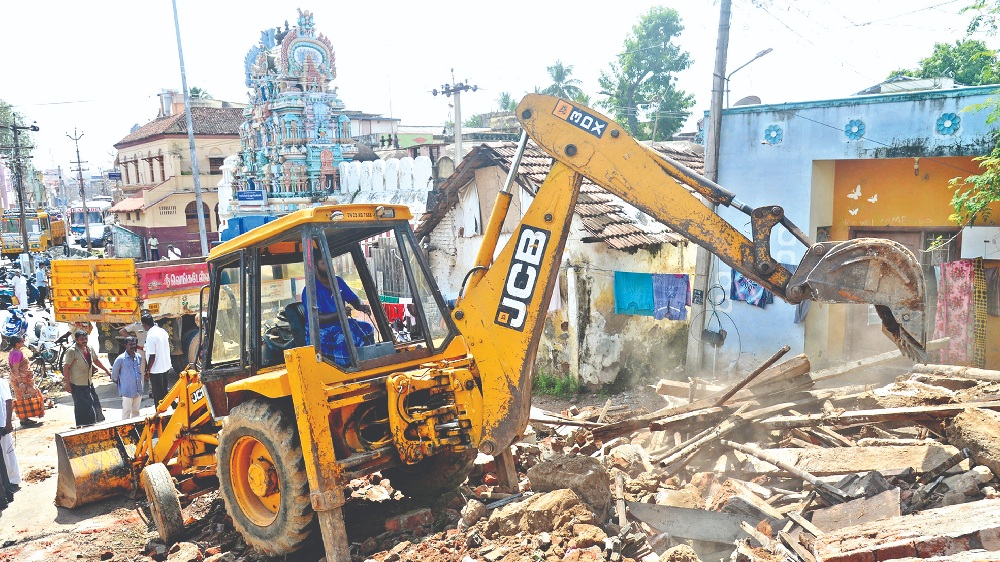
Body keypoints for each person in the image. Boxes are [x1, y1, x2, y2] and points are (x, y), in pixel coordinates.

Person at [302, 252, 372, 365]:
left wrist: (360, 306)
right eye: (324, 263)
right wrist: (339, 314)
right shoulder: (310, 290)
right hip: (321, 330)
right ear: (315, 268)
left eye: (330, 262)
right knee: (344, 340)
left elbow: (353, 299)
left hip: (340, 324)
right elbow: (315, 318)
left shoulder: (338, 282)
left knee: (367, 328)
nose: (329, 266)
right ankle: (349, 370)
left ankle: (367, 363)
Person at [62, 329, 111, 427]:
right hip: (77, 384)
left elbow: (96, 360)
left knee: (94, 403)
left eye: (85, 338)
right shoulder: (72, 351)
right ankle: (82, 427)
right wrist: (67, 384)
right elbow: (66, 367)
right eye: (81, 339)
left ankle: (93, 424)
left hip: (88, 382)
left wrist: (106, 370)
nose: (84, 341)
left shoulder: (88, 348)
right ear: (76, 340)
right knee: (82, 407)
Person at [8, 337, 42, 427]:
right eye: (22, 341)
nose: (23, 342)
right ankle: (23, 419)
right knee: (23, 398)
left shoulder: (15, 351)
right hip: (21, 380)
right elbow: (15, 368)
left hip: (21, 379)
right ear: (17, 343)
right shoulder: (16, 353)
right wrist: (21, 382)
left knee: (23, 398)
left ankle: (25, 418)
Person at [143, 315, 176, 406]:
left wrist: (148, 371)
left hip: (156, 369)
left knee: (158, 394)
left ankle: (160, 414)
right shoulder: (162, 331)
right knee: (164, 390)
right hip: (165, 366)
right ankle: (174, 406)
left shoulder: (150, 336)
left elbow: (152, 356)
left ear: (145, 325)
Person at [111, 337, 144, 419]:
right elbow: (114, 376)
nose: (133, 346)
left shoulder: (138, 357)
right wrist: (122, 384)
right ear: (125, 345)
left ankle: (135, 429)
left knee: (136, 412)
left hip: (138, 390)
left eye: (134, 344)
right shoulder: (120, 359)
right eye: (130, 344)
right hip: (127, 391)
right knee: (127, 411)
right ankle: (125, 431)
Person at [0, 374, 20, 499]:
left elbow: (8, 402)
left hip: (2, 424)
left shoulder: (1, 382)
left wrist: (8, 423)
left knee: (8, 453)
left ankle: (14, 480)